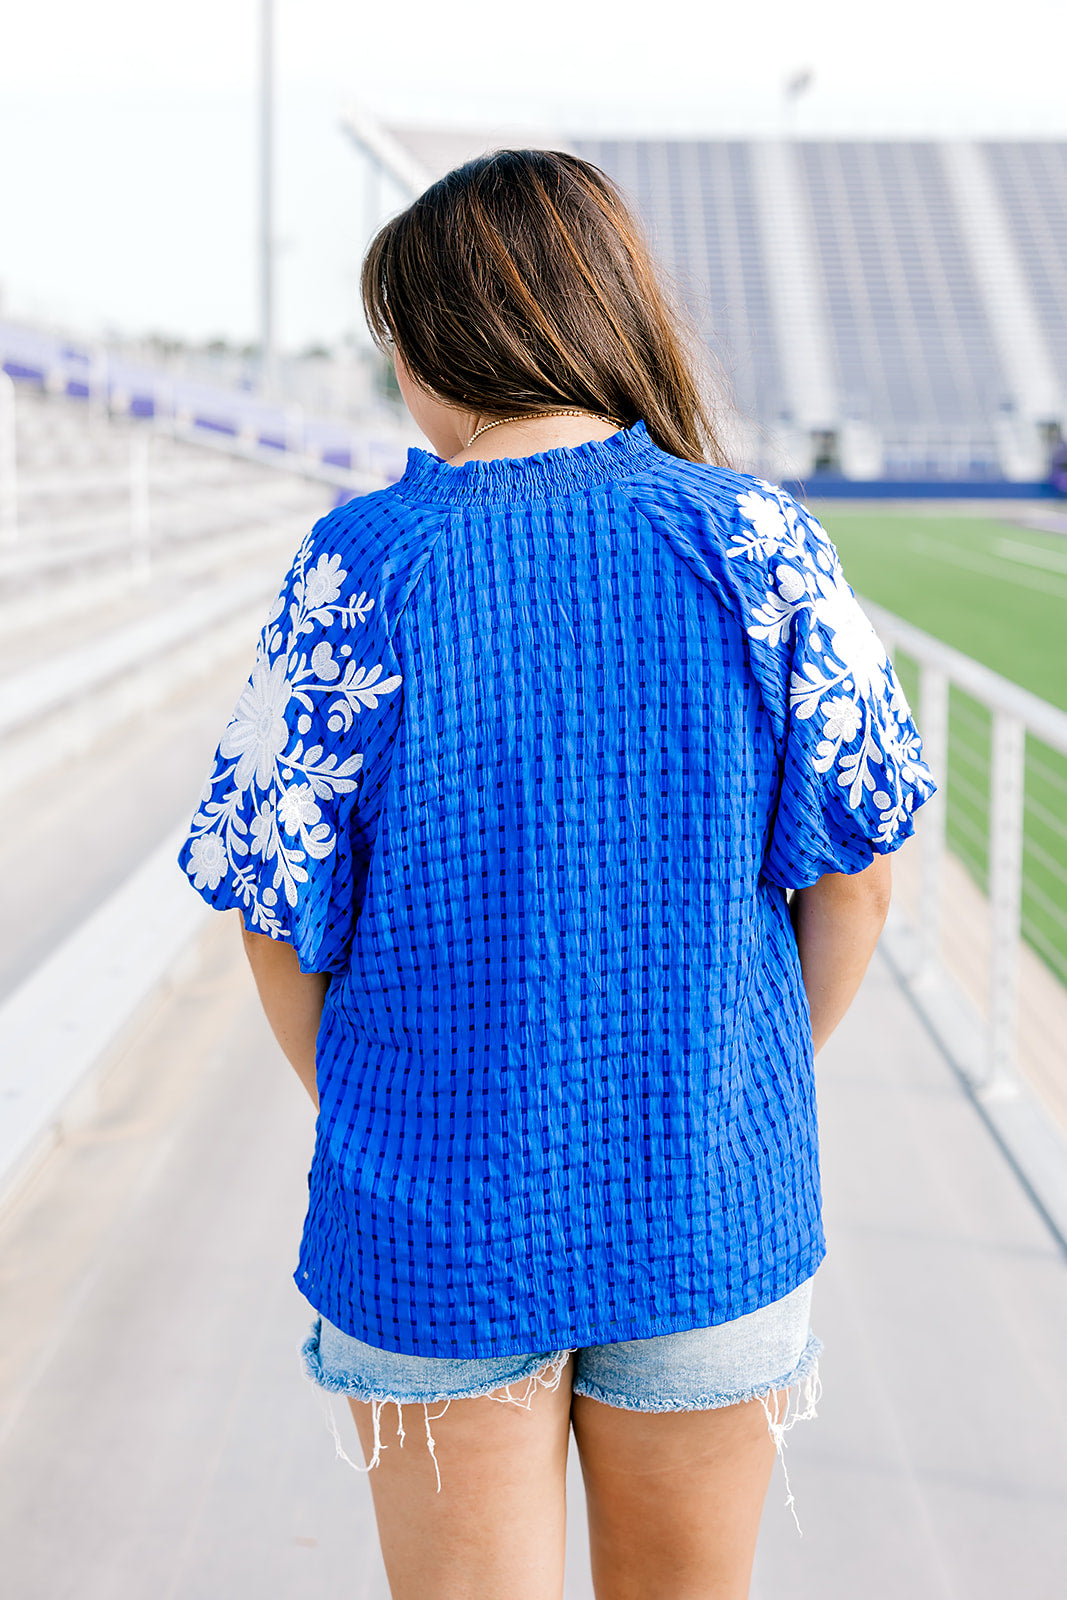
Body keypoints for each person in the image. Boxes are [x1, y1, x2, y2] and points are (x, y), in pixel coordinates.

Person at [179, 149, 935, 1599]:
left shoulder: (361, 565)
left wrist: (386, 1117)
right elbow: (860, 879)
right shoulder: (757, 544)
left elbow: (274, 922)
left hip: (430, 1220)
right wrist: (735, 1087)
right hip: (713, 1203)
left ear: (441, 336)